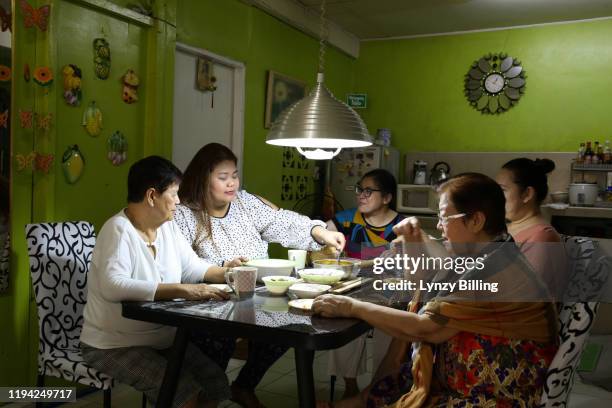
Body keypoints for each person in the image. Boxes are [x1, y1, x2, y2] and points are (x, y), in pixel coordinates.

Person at [313, 173, 558, 408]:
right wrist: (414, 243)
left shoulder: (491, 269)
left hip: (494, 393)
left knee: (406, 344)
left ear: (476, 221)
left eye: (444, 218)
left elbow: (426, 328)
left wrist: (351, 306)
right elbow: (423, 283)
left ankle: (360, 402)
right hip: (468, 379)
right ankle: (360, 401)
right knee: (401, 361)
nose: (440, 227)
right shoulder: (493, 251)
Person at [173, 142, 345, 408]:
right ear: (202, 178)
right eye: (222, 177)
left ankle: (243, 386)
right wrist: (223, 269)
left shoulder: (245, 203)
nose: (232, 183)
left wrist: (320, 233)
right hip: (211, 303)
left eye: (234, 175)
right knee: (221, 339)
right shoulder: (183, 214)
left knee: (291, 325)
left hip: (256, 297)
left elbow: (284, 221)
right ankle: (208, 398)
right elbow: (184, 266)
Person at [80, 156, 236, 408]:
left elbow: (193, 267)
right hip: (112, 344)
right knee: (182, 391)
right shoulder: (118, 230)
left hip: (161, 339)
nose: (178, 202)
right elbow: (112, 285)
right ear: (152, 195)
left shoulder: (167, 228)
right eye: (173, 195)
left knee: (215, 382)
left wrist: (230, 272)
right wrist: (181, 290)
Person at [324, 169, 405, 398]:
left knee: (389, 326)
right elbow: (323, 242)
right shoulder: (344, 220)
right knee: (339, 318)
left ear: (387, 198)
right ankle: (350, 386)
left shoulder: (402, 225)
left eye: (369, 191)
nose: (361, 195)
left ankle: (379, 387)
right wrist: (326, 246)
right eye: (359, 189)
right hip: (352, 288)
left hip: (388, 293)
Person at [496, 158, 566, 296]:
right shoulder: (508, 228)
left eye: (502, 190)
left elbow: (523, 296)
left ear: (527, 194)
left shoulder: (541, 237)